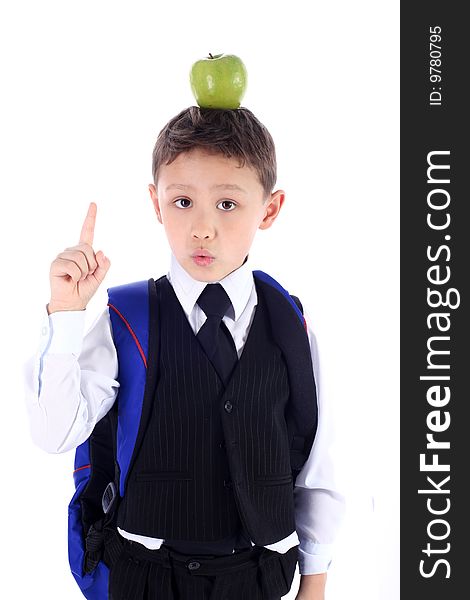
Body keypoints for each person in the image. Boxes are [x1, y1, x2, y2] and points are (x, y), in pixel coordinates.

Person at [23, 106, 345, 600]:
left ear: (271, 209)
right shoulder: (128, 317)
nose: (201, 228)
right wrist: (66, 314)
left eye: (227, 205)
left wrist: (315, 580)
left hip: (256, 577)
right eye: (182, 201)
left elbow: (316, 457)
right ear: (156, 202)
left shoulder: (289, 322)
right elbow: (54, 433)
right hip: (146, 576)